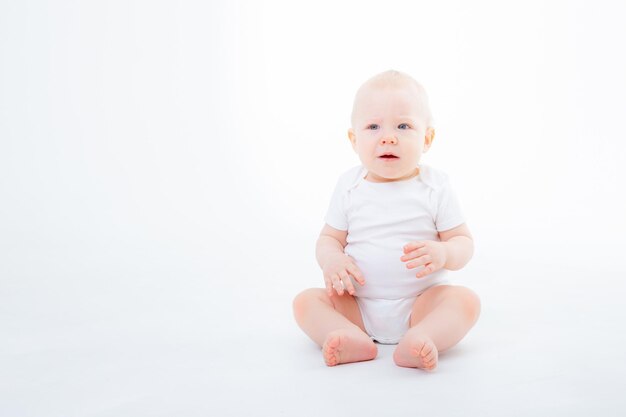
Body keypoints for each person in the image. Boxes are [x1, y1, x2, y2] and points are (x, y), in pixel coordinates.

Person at [292, 70, 481, 371]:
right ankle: (349, 335)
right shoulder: (350, 186)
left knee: (465, 301)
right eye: (373, 126)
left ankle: (422, 336)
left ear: (427, 138)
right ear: (354, 139)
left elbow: (464, 243)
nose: (388, 137)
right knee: (305, 302)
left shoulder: (435, 187)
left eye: (404, 125)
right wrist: (331, 261)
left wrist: (445, 253)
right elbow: (329, 239)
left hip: (421, 303)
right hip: (356, 303)